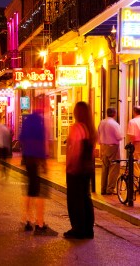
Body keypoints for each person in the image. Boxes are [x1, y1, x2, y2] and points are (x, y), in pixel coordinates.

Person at [19, 110, 58, 236]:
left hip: (28, 159)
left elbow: (21, 139)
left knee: (30, 189)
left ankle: (26, 219)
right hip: (37, 160)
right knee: (40, 192)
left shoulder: (27, 124)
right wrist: (45, 163)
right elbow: (43, 143)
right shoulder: (40, 126)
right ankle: (40, 223)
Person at [64, 101, 97, 239]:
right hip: (87, 168)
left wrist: (71, 166)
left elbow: (75, 150)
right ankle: (88, 229)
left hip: (77, 169)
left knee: (75, 199)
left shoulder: (77, 127)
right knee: (85, 197)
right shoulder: (90, 128)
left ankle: (78, 228)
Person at [98, 107, 123, 195]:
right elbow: (119, 137)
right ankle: (110, 189)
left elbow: (98, 134)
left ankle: (103, 189)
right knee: (114, 168)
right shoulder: (114, 124)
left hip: (103, 146)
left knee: (105, 168)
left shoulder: (102, 122)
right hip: (113, 147)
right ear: (114, 114)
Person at [127, 106, 140, 177]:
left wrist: (130, 144)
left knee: (136, 163)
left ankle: (137, 180)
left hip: (137, 144)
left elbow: (132, 135)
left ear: (134, 112)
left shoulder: (132, 121)